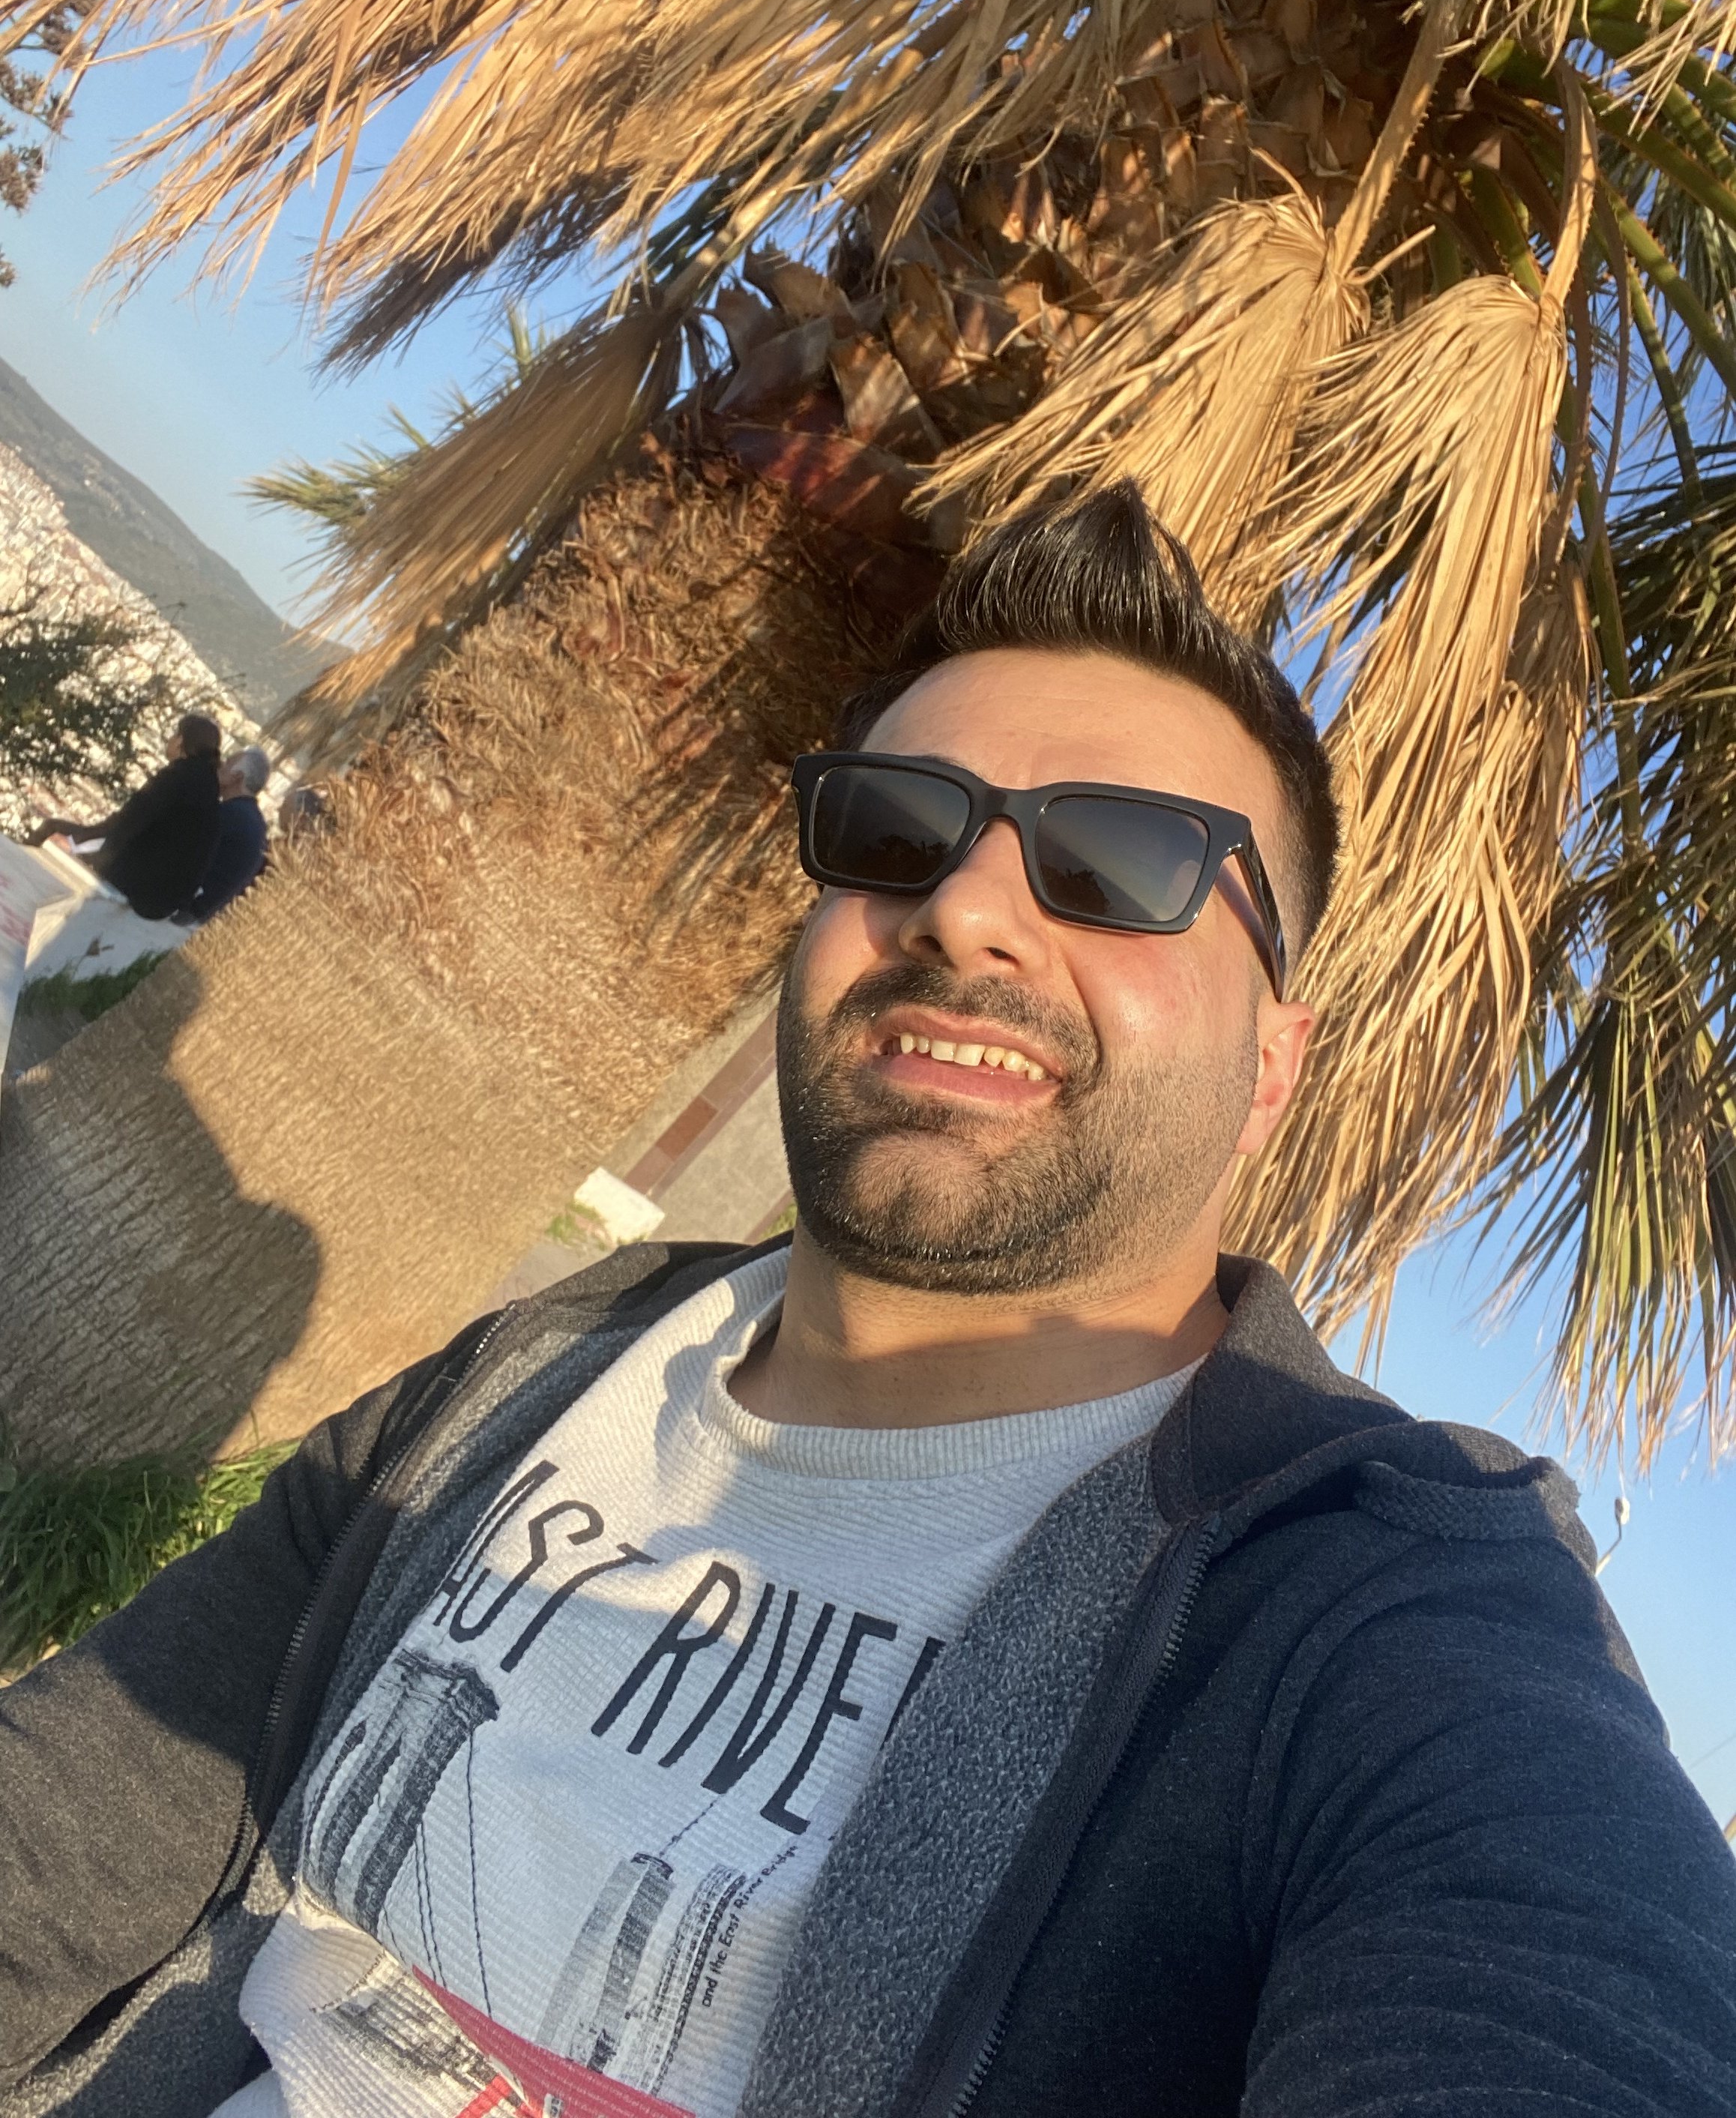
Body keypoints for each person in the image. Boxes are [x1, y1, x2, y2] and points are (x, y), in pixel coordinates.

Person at [2, 486, 1733, 2118]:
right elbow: (64, 1834)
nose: (962, 910)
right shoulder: (544, 1369)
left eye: (1119, 860)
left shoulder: (1367, 1606)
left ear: (1271, 1060)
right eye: (896, 831)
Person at [24, 711, 223, 921]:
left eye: (175, 734)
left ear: (181, 741)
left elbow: (128, 822)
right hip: (166, 899)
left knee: (52, 828)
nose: (171, 739)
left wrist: (91, 855)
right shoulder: (210, 791)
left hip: (141, 887)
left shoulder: (177, 777)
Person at [177, 746, 273, 924]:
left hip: (185, 912)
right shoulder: (254, 822)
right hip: (207, 916)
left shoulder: (230, 815)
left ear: (237, 777)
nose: (220, 767)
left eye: (227, 764)